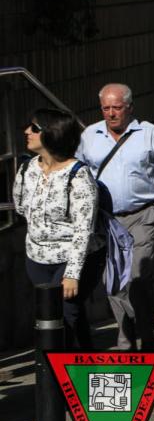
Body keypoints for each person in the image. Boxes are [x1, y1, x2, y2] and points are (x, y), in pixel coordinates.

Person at [76, 83, 154, 351]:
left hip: (143, 215)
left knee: (137, 277)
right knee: (113, 283)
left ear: (130, 107)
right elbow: (77, 174)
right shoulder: (90, 135)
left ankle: (145, 337)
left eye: (117, 107)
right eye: (106, 108)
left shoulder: (150, 133)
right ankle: (127, 333)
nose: (111, 113)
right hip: (105, 220)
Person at [15, 109, 104, 349]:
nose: (27, 131)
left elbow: (83, 230)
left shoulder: (78, 175)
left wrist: (73, 274)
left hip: (75, 257)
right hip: (37, 258)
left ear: (53, 134)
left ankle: (62, 367)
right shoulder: (26, 169)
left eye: (34, 128)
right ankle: (82, 361)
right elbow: (21, 208)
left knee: (65, 314)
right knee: (60, 314)